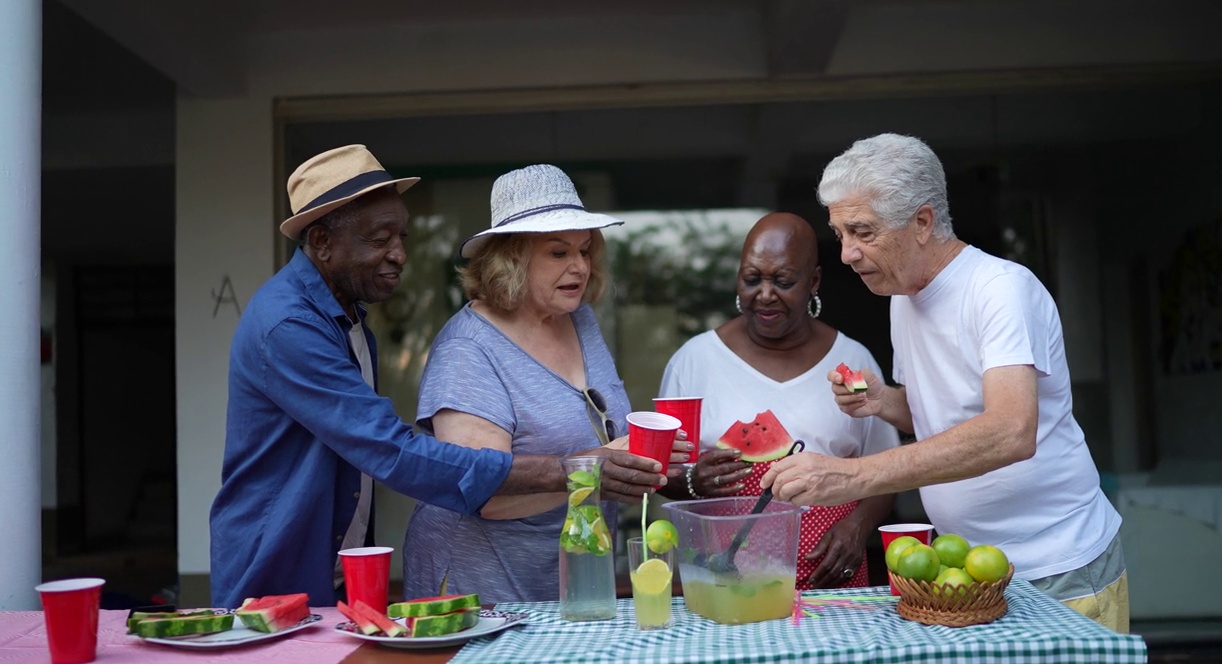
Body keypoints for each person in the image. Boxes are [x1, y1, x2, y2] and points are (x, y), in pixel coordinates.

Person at [211, 147, 664, 608]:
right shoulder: (290, 325)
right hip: (281, 563)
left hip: (339, 561)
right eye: (380, 238)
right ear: (323, 243)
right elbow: (390, 451)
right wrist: (577, 470)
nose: (400, 254)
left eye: (402, 235)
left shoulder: (346, 317)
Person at [760, 133, 1128, 631]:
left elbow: (1010, 431)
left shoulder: (1000, 290)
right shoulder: (902, 296)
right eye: (841, 233)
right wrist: (883, 401)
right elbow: (941, 413)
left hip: (1056, 565)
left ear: (922, 222)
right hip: (965, 569)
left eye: (862, 232)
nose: (846, 253)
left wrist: (852, 476)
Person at [403, 164, 688, 603]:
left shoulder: (580, 320)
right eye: (558, 253)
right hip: (480, 586)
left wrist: (661, 468)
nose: (580, 266)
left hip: (567, 577)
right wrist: (601, 465)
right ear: (510, 258)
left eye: (585, 250)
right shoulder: (467, 350)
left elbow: (607, 447)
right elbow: (485, 496)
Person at [658, 212, 900, 590]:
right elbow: (660, 474)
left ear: (814, 281)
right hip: (724, 581)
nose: (765, 294)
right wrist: (692, 478)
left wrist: (857, 528)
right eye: (752, 279)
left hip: (831, 580)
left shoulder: (853, 361)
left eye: (783, 281)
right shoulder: (694, 361)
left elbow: (885, 473)